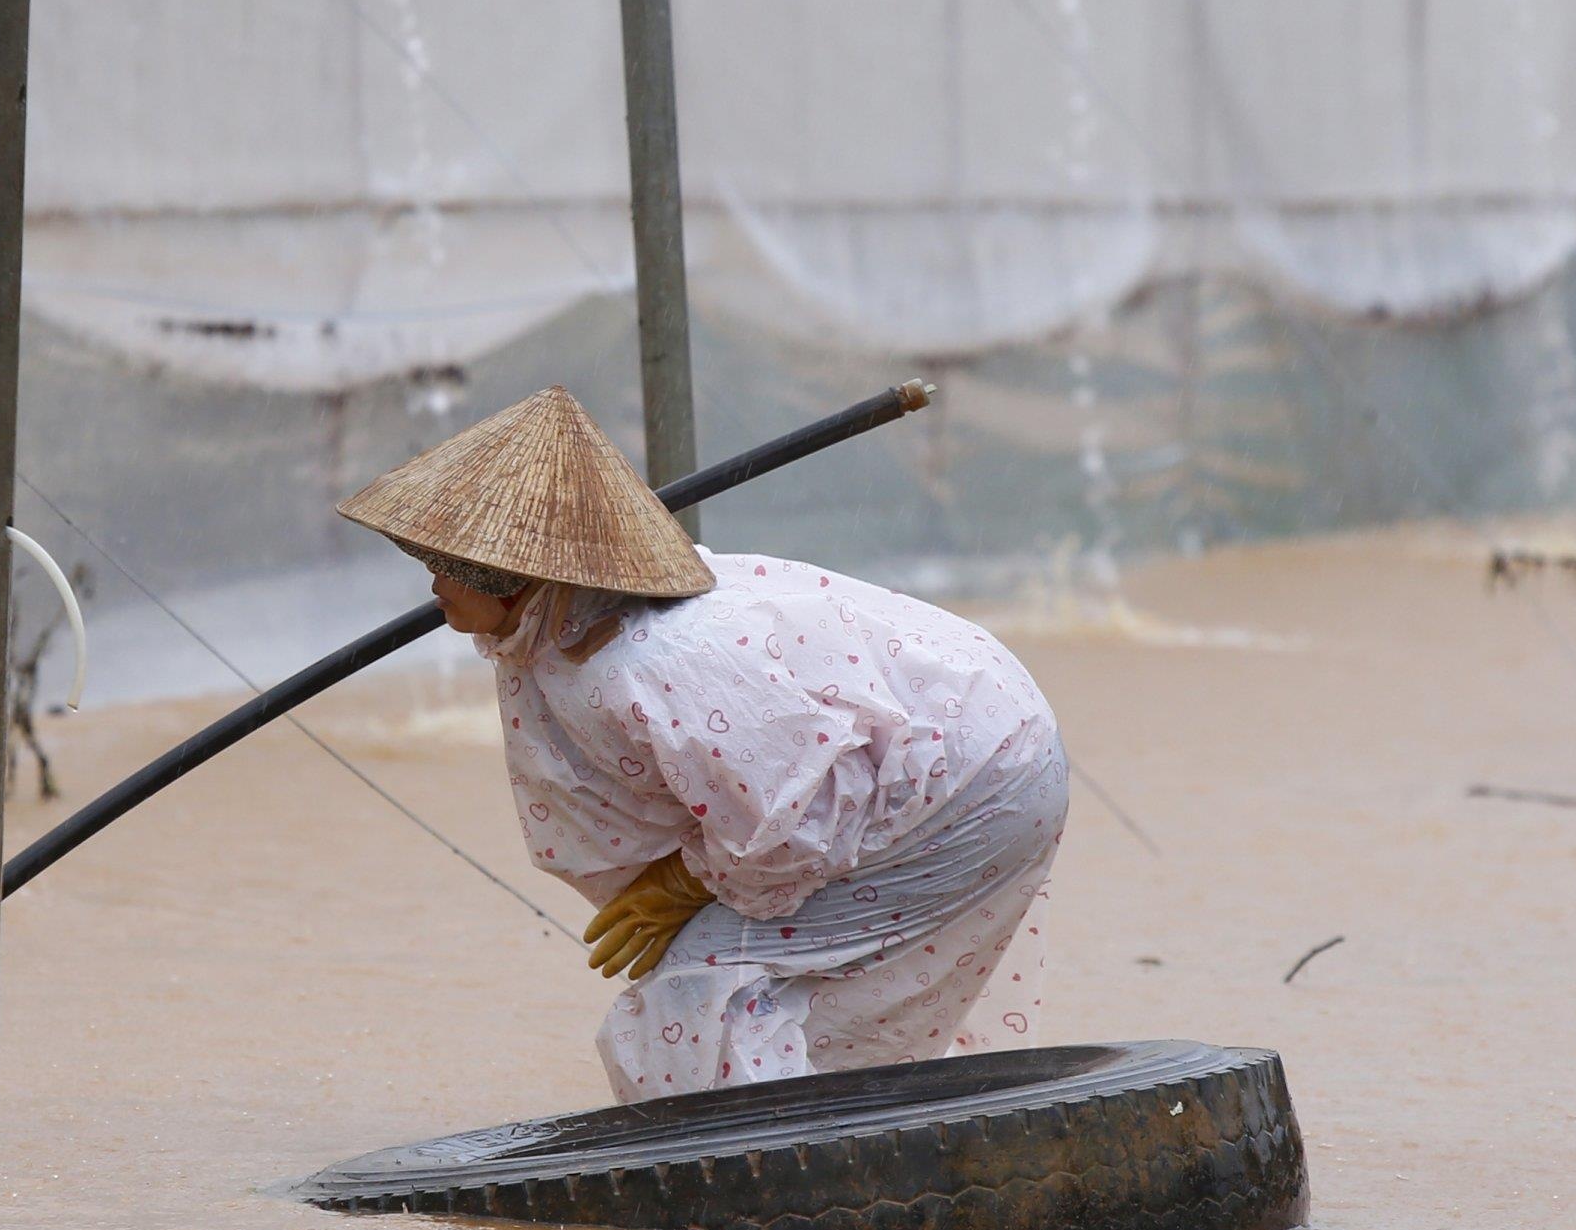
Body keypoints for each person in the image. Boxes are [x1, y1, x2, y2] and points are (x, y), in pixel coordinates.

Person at [338, 387, 1066, 1102]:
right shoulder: (564, 627)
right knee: (742, 996)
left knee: (697, 998)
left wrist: (686, 882)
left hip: (974, 781)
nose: (432, 584)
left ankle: (773, 1159)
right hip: (951, 755)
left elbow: (804, 815)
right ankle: (819, 1138)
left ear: (508, 580)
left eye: (446, 566)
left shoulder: (655, 663)